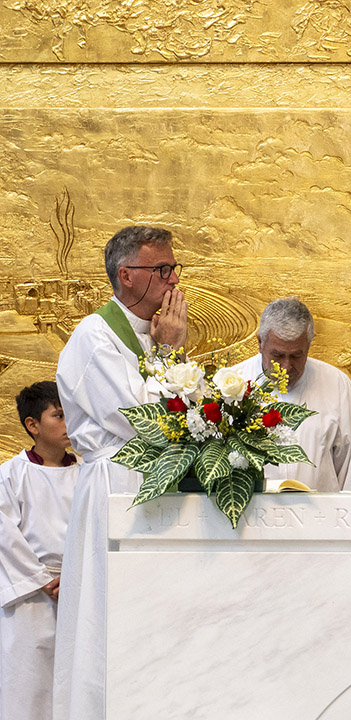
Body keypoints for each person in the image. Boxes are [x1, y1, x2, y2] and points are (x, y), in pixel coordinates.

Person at [53, 225, 188, 720]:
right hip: (117, 485)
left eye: (174, 267)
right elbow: (144, 420)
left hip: (155, 488)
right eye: (162, 269)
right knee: (108, 617)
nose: (174, 279)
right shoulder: (94, 336)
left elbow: (186, 417)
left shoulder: (152, 334)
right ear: (127, 276)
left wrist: (168, 350)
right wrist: (171, 352)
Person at [232, 297, 351, 492]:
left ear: (309, 344)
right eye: (278, 355)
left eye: (296, 356)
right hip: (252, 518)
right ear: (260, 343)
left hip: (321, 516)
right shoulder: (231, 384)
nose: (286, 367)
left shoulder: (336, 383)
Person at [0, 382, 79, 720]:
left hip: (79, 589)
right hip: (30, 596)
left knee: (77, 686)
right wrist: (42, 580)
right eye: (58, 415)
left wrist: (77, 575)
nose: (68, 423)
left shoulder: (88, 473)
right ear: (33, 425)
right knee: (29, 688)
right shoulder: (10, 474)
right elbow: (5, 535)